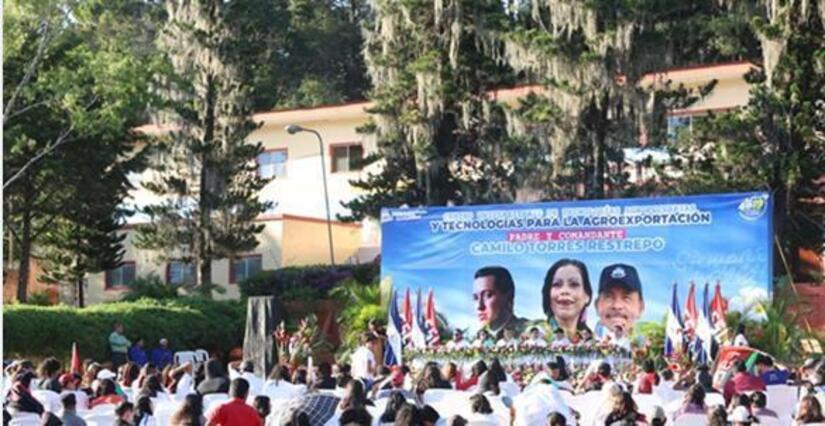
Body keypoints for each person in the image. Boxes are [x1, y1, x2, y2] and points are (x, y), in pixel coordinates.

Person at [542, 259, 594, 341]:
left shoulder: (596, 342)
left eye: (574, 284)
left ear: (587, 296)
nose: (564, 291)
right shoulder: (534, 333)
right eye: (557, 284)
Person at [472, 266, 528, 339]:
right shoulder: (478, 338)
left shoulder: (529, 330)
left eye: (488, 295)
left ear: (508, 297)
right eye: (475, 298)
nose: (480, 306)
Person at [594, 264, 645, 338]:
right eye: (609, 297)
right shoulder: (579, 346)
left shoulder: (655, 347)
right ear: (596, 306)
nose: (617, 305)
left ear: (640, 308)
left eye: (626, 298)